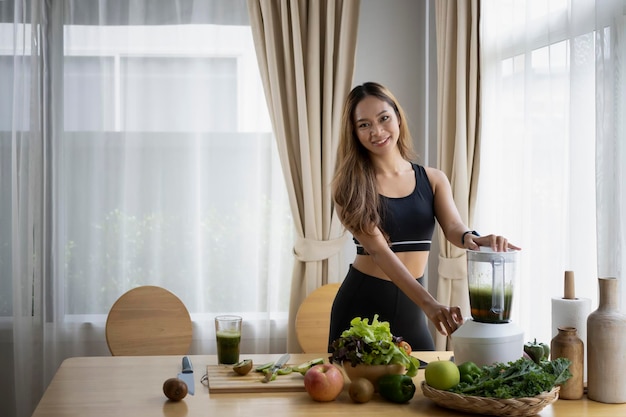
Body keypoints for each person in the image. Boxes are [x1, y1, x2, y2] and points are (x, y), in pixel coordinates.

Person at [328, 82, 519, 352]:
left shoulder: (432, 179)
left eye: (384, 118)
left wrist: (474, 239)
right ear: (354, 132)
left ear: (397, 117)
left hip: (412, 309)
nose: (377, 131)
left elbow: (453, 227)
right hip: (363, 307)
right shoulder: (349, 187)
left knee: (426, 389)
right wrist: (430, 304)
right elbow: (380, 252)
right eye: (364, 125)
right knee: (356, 393)